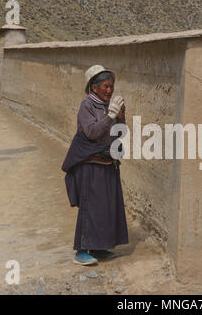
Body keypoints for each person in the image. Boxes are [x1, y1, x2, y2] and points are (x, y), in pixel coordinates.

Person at [61, 65, 129, 266]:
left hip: (107, 162)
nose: (110, 90)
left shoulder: (110, 107)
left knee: (106, 206)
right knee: (90, 207)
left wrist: (121, 117)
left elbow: (119, 134)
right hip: (90, 164)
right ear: (94, 87)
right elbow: (91, 133)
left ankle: (99, 248)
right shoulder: (87, 106)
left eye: (112, 87)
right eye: (106, 86)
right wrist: (110, 116)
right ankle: (81, 250)